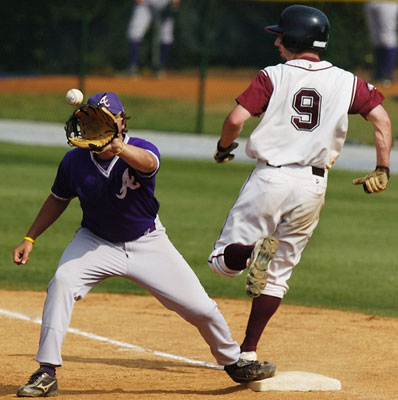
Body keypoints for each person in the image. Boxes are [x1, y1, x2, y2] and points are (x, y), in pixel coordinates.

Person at [13, 91, 276, 397]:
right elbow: (58, 199)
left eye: (105, 120)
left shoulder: (141, 149)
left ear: (121, 123)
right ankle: (46, 372)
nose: (95, 127)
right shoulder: (74, 161)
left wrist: (119, 147)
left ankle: (233, 361)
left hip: (148, 242)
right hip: (95, 241)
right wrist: (30, 237)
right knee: (61, 282)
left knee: (201, 308)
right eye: (91, 120)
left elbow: (150, 163)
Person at [208, 5, 392, 363]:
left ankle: (250, 252)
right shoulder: (347, 81)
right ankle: (248, 353)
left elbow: (235, 119)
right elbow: (382, 119)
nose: (276, 41)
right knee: (279, 274)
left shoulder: (273, 75)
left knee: (222, 263)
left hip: (271, 177)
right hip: (313, 186)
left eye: (281, 35)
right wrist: (382, 166)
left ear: (294, 39)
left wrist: (223, 146)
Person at [125, 0, 180, 76]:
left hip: (164, 5)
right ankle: (132, 67)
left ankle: (160, 67)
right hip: (145, 3)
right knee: (134, 31)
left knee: (166, 35)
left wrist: (175, 4)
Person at [364, 1, 398, 87]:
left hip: (388, 3)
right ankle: (378, 73)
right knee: (375, 38)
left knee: (387, 36)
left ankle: (387, 74)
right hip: (370, 2)